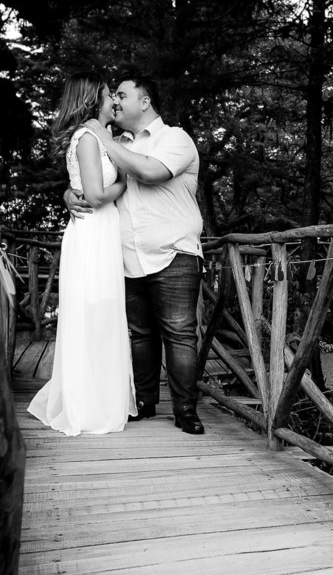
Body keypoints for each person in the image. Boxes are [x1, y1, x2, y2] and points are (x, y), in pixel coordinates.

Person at [66, 74, 206, 435]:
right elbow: (91, 181)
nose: (114, 101)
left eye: (122, 95)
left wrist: (99, 137)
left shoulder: (175, 138)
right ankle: (144, 402)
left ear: (144, 102)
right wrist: (69, 194)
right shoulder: (116, 141)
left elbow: (148, 171)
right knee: (140, 334)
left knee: (179, 333)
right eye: (112, 96)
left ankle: (185, 410)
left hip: (173, 252)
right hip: (126, 256)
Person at [28, 71, 137, 435]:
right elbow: (93, 195)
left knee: (103, 312)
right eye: (109, 95)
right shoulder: (89, 138)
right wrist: (124, 182)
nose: (115, 101)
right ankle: (86, 402)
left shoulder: (105, 137)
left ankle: (102, 395)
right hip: (92, 232)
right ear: (95, 101)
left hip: (102, 233)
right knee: (93, 311)